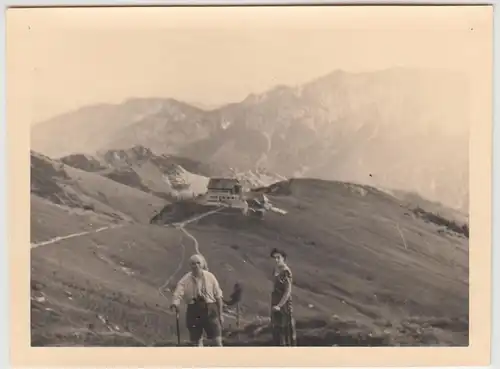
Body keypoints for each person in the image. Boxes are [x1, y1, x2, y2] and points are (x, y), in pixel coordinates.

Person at [170, 254, 224, 346]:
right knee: (196, 342)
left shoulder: (210, 277)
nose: (196, 266)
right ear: (190, 266)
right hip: (193, 310)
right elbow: (178, 293)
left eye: (198, 263)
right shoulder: (185, 280)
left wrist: (220, 314)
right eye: (193, 264)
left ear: (202, 264)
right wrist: (175, 303)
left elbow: (218, 296)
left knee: (217, 340)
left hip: (210, 310)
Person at [270, 248, 297, 346]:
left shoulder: (285, 272)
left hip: (284, 307)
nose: (276, 260)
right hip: (276, 304)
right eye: (274, 258)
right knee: (277, 332)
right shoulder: (276, 270)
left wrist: (279, 305)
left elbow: (287, 291)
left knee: (285, 333)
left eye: (278, 258)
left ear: (283, 258)